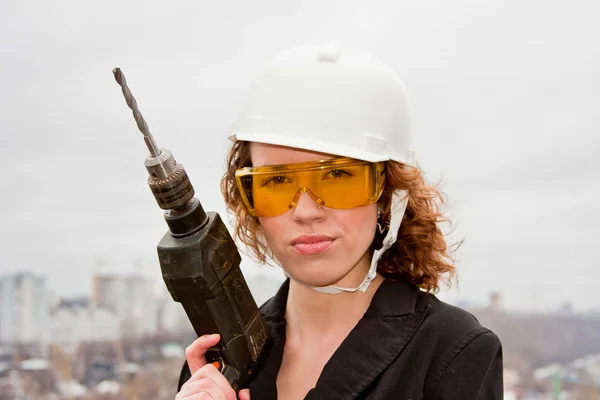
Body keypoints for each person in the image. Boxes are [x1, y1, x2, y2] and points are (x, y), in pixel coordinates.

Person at [175, 40, 503, 400]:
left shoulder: (452, 352)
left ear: (387, 193)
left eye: (336, 177)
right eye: (277, 181)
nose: (305, 211)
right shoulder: (216, 367)